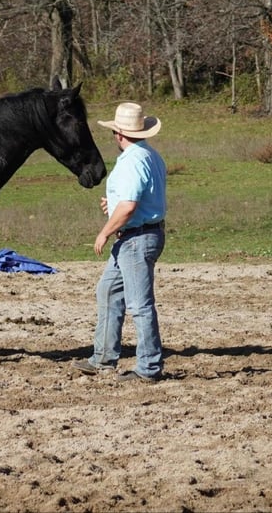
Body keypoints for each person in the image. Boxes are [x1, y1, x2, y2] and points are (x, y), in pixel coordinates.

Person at [72, 102, 167, 383]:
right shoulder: (149, 155)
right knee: (109, 292)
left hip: (136, 239)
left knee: (139, 305)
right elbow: (135, 199)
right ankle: (102, 357)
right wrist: (113, 204)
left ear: (119, 134)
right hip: (139, 235)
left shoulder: (132, 160)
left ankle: (149, 368)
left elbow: (128, 206)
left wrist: (104, 231)